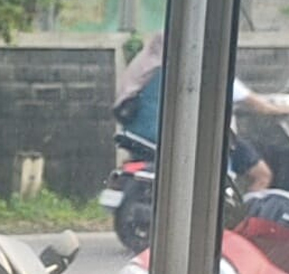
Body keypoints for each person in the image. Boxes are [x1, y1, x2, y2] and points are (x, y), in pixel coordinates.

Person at [113, 31, 286, 192]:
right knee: (262, 174)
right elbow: (259, 105)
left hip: (139, 136)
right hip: (190, 136)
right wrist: (282, 108)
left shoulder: (145, 72)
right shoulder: (206, 71)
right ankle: (242, 220)